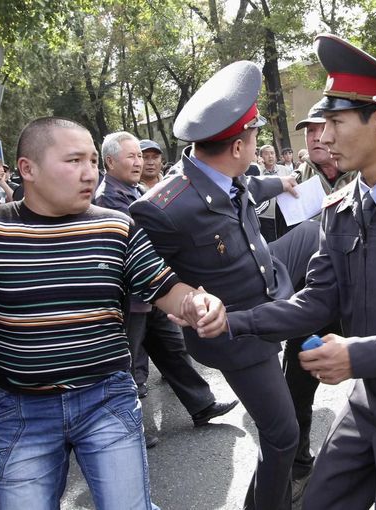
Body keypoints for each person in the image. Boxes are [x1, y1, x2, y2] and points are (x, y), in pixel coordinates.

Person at [0, 116, 227, 510]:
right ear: (27, 168)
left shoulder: (118, 228)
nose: (89, 174)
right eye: (73, 161)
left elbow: (166, 288)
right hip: (23, 410)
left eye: (93, 162)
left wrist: (198, 303)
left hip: (107, 400)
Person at [197, 34, 376, 510]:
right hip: (369, 397)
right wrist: (233, 320)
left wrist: (356, 355)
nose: (323, 137)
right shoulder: (341, 208)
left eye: (334, 121)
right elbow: (318, 300)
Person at [131, 60, 321, 510]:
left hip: (266, 296)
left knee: (317, 232)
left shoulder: (228, 178)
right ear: (238, 146)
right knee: (282, 435)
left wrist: (285, 181)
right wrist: (185, 302)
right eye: (254, 138)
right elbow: (140, 277)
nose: (257, 146)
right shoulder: (163, 208)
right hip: (236, 335)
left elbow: (249, 192)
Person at [94, 131, 237, 434]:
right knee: (127, 365)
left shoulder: (130, 191)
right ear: (110, 161)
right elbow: (138, 245)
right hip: (129, 297)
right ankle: (128, 428)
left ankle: (202, 404)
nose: (139, 163)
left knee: (172, 350)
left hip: (152, 293)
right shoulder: (109, 197)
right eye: (131, 156)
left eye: (141, 156)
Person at [279, 103, 359, 503]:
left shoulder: (365, 174)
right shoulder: (292, 186)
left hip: (364, 305)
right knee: (294, 388)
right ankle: (298, 468)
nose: (314, 138)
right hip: (313, 306)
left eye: (320, 129)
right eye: (307, 132)